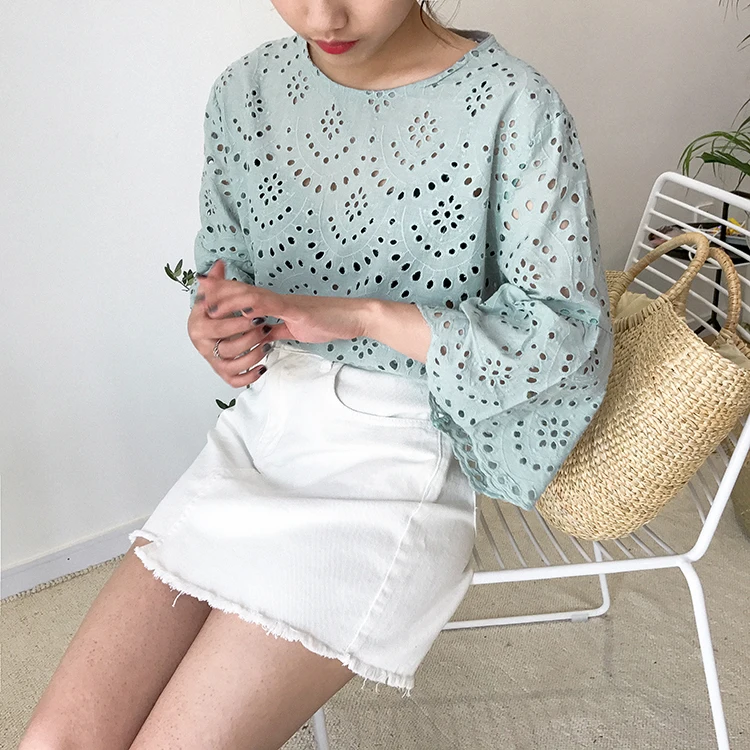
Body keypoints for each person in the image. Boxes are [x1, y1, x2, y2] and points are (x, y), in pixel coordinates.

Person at [19, 1, 614, 748]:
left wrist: (360, 316)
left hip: (398, 458)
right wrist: (215, 323)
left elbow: (562, 334)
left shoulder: (514, 105)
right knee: (55, 740)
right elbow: (225, 264)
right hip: (263, 432)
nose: (324, 14)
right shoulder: (246, 91)